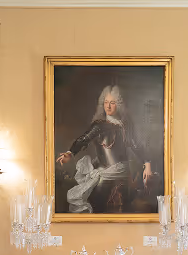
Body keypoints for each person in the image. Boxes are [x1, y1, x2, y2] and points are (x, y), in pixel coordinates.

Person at [56, 85, 153, 213]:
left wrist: (147, 164)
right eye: (106, 103)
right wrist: (70, 153)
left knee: (125, 204)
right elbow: (83, 139)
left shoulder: (125, 126)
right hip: (103, 173)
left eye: (112, 103)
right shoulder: (99, 125)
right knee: (98, 200)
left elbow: (136, 145)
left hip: (122, 172)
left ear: (119, 105)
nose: (108, 106)